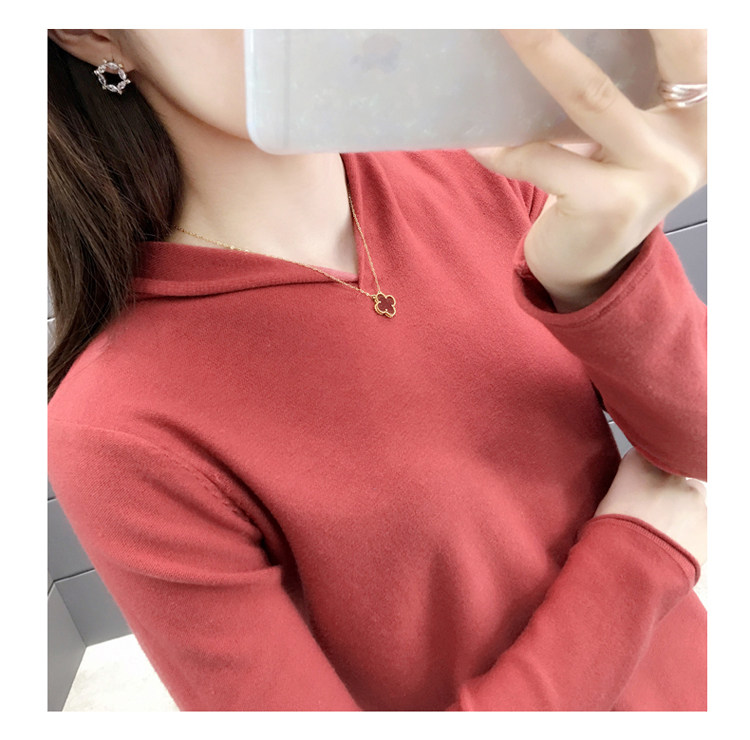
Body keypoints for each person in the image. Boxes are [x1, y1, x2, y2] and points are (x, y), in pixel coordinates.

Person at [47, 29, 708, 711]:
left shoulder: (493, 161)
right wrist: (639, 557)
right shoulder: (116, 430)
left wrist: (595, 278)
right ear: (92, 30)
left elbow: (708, 442)